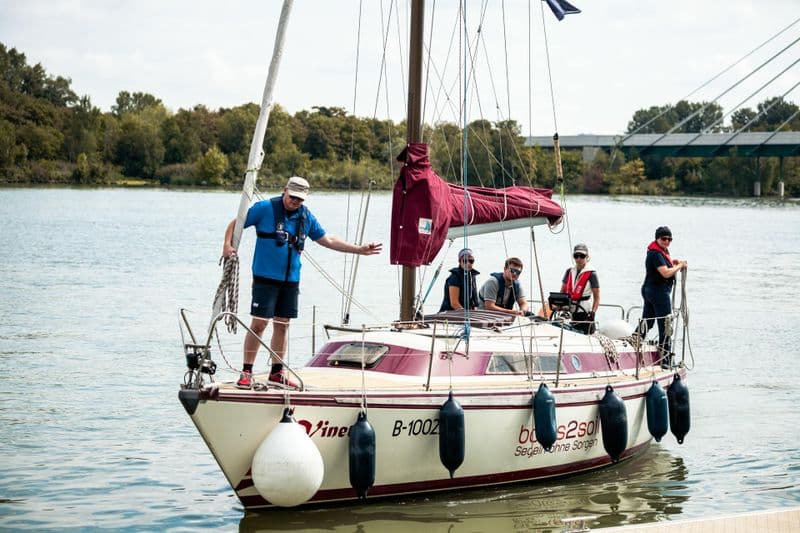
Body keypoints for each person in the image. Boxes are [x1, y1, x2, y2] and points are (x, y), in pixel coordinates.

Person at [222, 176, 382, 389]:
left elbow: (328, 240)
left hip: (290, 280)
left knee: (283, 326)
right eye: (292, 197)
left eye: (299, 199)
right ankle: (246, 371)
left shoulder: (305, 216)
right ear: (284, 190)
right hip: (265, 277)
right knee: (259, 324)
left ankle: (276, 372)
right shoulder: (264, 208)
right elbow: (236, 223)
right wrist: (226, 245)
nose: (295, 202)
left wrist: (359, 249)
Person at [641, 226, 687, 368]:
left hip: (651, 290)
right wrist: (679, 266)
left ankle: (634, 340)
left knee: (648, 322)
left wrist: (673, 264)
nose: (667, 241)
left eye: (669, 239)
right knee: (665, 325)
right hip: (658, 293)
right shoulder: (655, 254)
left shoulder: (660, 251)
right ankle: (666, 359)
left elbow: (665, 268)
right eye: (664, 238)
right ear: (657, 238)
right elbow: (666, 273)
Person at [560, 243, 600, 334]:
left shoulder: (592, 274)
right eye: (576, 256)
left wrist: (593, 312)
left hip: (584, 311)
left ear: (587, 257)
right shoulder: (569, 271)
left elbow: (597, 297)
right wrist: (559, 305)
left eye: (582, 256)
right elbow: (562, 291)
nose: (578, 259)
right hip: (569, 310)